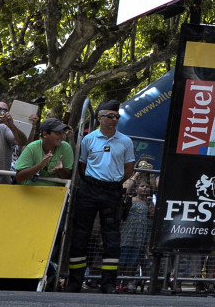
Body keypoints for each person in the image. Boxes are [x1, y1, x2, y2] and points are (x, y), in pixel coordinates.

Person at [66, 100, 136, 294]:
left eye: (117, 117)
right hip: (89, 190)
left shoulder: (125, 141)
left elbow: (129, 169)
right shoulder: (89, 139)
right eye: (110, 116)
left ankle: (108, 284)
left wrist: (112, 182)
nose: (114, 120)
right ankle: (74, 282)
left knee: (112, 238)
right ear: (99, 118)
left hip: (112, 192)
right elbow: (82, 165)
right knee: (80, 235)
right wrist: (94, 181)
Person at [14, 118, 74, 185]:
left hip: (55, 192)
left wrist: (60, 170)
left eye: (63, 133)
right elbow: (19, 177)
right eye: (58, 133)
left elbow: (68, 176)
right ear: (45, 134)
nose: (62, 137)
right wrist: (40, 166)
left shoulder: (66, 147)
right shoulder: (32, 147)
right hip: (29, 190)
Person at [119, 181, 155, 292]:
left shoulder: (149, 203)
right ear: (137, 189)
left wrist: (150, 204)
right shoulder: (131, 200)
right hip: (128, 232)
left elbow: (152, 215)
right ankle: (116, 281)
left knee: (132, 260)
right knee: (122, 258)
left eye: (147, 187)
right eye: (142, 186)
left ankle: (126, 283)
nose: (145, 189)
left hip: (140, 234)